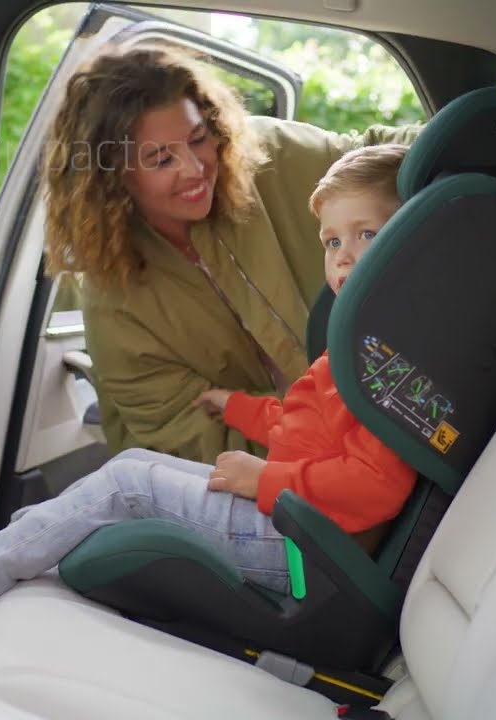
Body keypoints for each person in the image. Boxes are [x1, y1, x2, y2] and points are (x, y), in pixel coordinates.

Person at [0, 145, 417, 641]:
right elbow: (310, 426)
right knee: (132, 463)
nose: (343, 255)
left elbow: (374, 486)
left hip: (305, 549)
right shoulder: (365, 341)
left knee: (126, 485)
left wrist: (264, 479)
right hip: (301, 525)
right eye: (331, 240)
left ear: (417, 244)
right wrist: (237, 407)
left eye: (367, 234)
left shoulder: (391, 361)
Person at [42, 42, 419, 465]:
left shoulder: (268, 156)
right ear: (111, 177)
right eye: (162, 159)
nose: (194, 168)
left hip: (400, 423)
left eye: (198, 138)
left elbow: (385, 155)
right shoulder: (115, 301)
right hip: (280, 475)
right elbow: (192, 440)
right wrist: (334, 449)